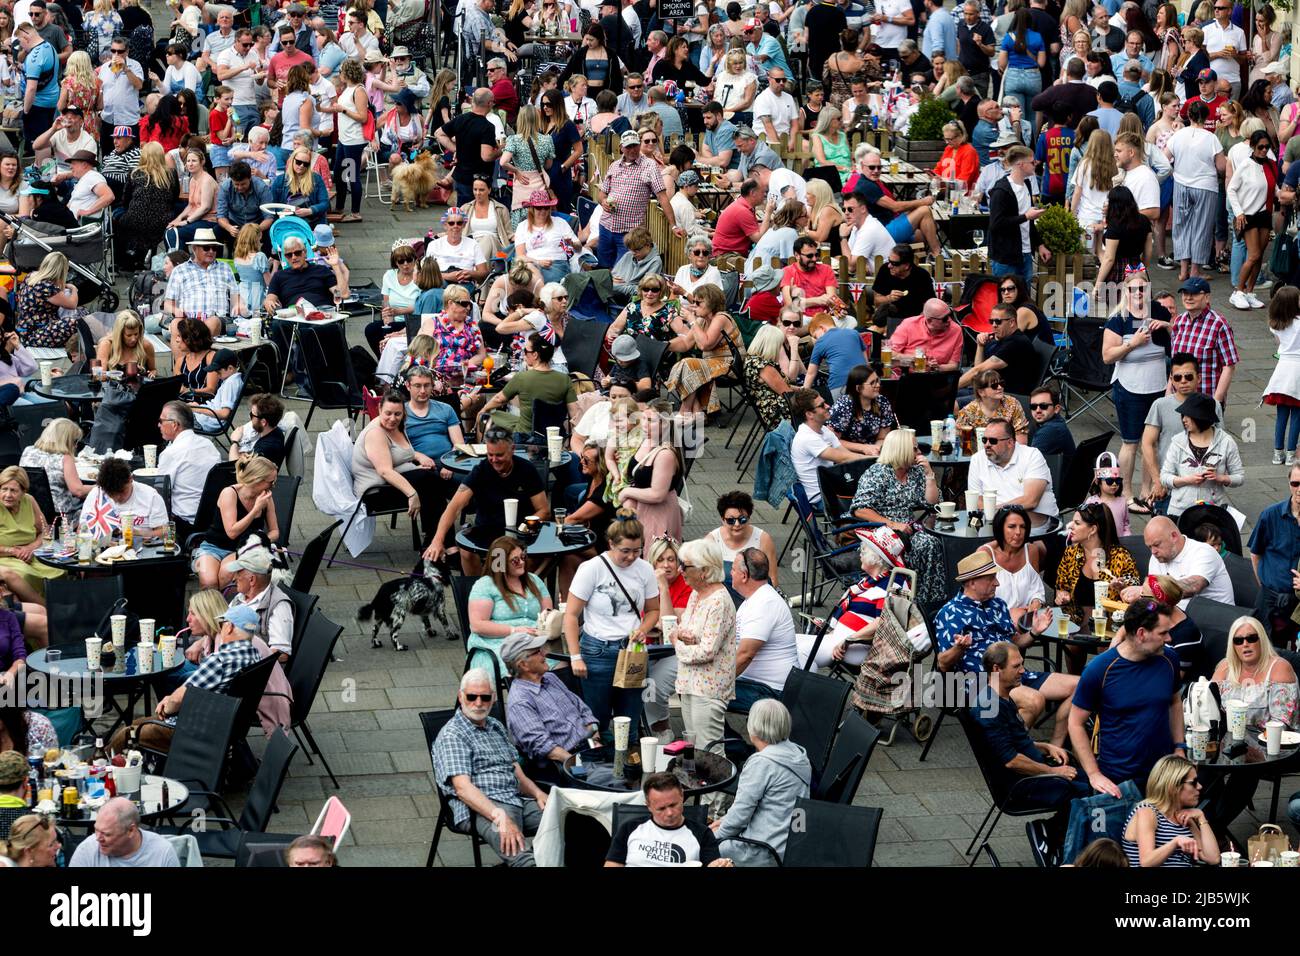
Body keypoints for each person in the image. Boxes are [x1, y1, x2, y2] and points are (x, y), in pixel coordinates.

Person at [971, 642, 1090, 861]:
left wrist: (1045, 746)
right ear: (997, 669)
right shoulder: (989, 708)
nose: (1023, 670)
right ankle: (1049, 835)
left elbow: (1012, 742)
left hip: (1034, 773)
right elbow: (1011, 761)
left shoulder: (1003, 698)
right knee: (1086, 792)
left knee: (1093, 779)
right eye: (1016, 666)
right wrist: (1053, 772)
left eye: (1022, 664)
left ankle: (1061, 838)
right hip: (1020, 786)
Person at [936, 550, 1070, 742]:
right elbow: (943, 663)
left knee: (1081, 686)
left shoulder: (998, 604)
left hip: (1017, 673)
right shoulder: (950, 613)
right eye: (991, 578)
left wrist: (1034, 632)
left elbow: (1014, 642)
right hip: (981, 682)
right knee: (1034, 700)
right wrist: (960, 648)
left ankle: (1056, 747)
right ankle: (1007, 752)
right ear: (972, 582)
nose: (997, 583)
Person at [433, 669, 548, 867]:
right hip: (482, 806)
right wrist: (497, 814)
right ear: (461, 697)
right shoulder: (453, 735)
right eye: (471, 697)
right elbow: (463, 789)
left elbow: (515, 770)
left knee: (573, 820)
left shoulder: (495, 725)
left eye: (485, 698)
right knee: (523, 857)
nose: (478, 703)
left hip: (515, 799)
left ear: (493, 698)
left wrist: (538, 794)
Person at [1070, 599, 1185, 796]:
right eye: (1163, 633)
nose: (1169, 639)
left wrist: (1179, 747)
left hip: (1162, 774)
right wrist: (1093, 773)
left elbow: (1174, 702)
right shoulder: (1100, 669)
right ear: (1141, 633)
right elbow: (1075, 723)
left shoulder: (1170, 659)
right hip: (1119, 779)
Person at [563, 517, 660, 733]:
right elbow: (570, 615)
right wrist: (575, 656)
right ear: (611, 544)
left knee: (629, 720)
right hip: (598, 650)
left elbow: (654, 610)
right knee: (596, 720)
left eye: (637, 550)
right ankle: (597, 762)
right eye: (625, 550)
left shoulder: (645, 569)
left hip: (632, 650)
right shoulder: (591, 569)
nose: (631, 557)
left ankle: (626, 761)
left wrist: (643, 629)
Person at [425, 428, 549, 575]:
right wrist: (438, 540)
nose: (494, 460)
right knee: (466, 551)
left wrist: (524, 527)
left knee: (513, 561)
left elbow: (544, 510)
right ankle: (478, 589)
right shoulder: (481, 470)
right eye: (490, 455)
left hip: (520, 531)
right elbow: (454, 507)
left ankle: (511, 586)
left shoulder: (526, 469)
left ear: (512, 450)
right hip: (487, 530)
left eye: (499, 455)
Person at [849, 429, 946, 613]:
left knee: (934, 543)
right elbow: (860, 509)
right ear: (902, 450)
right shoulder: (878, 473)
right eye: (915, 449)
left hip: (908, 529)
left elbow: (933, 502)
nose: (919, 453)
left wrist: (929, 474)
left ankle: (927, 602)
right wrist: (892, 524)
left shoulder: (915, 472)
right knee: (925, 546)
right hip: (880, 531)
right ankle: (912, 603)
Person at [711, 698, 811, 866]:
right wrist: (724, 821)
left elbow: (741, 814)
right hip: (789, 845)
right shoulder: (798, 755)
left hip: (761, 850)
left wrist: (714, 836)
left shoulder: (762, 763)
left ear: (754, 728)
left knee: (698, 846)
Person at [502, 631, 598, 781]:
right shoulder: (520, 701)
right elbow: (544, 747)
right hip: (564, 765)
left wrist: (595, 739)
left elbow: (582, 708)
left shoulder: (550, 678)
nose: (544, 654)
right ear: (523, 665)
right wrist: (578, 766)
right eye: (538, 652)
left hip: (590, 749)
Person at [352, 390, 444, 545]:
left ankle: (436, 538)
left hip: (391, 482)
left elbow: (399, 454)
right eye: (388, 413)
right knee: (429, 482)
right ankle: (439, 541)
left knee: (435, 474)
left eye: (397, 414)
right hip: (376, 492)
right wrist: (412, 494)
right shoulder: (376, 433)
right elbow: (385, 471)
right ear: (379, 410)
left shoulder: (398, 426)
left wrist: (418, 457)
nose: (392, 419)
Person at [190, 455, 278, 590]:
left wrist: (259, 540)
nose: (273, 485)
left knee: (226, 574)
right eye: (271, 482)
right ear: (257, 480)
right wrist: (255, 510)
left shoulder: (266, 498)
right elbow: (232, 532)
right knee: (209, 582)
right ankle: (212, 609)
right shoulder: (230, 493)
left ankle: (222, 607)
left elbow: (275, 532)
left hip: (241, 549)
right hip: (214, 546)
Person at [606, 772, 732, 866]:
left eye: (673, 805)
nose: (670, 813)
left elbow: (713, 864)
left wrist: (722, 864)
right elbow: (613, 864)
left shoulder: (702, 834)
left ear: (682, 796)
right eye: (661, 809)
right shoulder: (630, 828)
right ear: (648, 806)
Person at [730, 548, 798, 711]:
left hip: (772, 692)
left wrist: (717, 683)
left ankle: (724, 737)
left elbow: (745, 655)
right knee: (696, 686)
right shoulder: (755, 598)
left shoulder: (764, 604)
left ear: (744, 576)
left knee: (701, 693)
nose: (730, 573)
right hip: (760, 684)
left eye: (732, 569)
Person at [1120, 755, 1218, 866]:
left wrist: (1201, 817)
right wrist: (1175, 842)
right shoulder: (1147, 811)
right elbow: (1146, 862)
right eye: (1194, 782)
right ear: (1174, 786)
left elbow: (1213, 858)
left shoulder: (1185, 817)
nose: (1199, 786)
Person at [1157, 392, 1244, 518]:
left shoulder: (1226, 442)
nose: (1183, 419)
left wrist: (1221, 478)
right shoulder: (1178, 441)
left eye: (1188, 416)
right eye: (1183, 415)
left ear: (1201, 417)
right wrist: (1187, 480)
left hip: (1213, 511)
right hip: (1180, 511)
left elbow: (1239, 477)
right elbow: (1164, 477)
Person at [1055, 501, 1140, 624]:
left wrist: (1122, 588)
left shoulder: (1121, 557)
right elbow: (1061, 587)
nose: (1070, 526)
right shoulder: (1071, 553)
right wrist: (1062, 596)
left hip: (1111, 626)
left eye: (1077, 523)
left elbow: (1136, 594)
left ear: (1093, 529)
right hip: (1076, 624)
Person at [1212, 616, 1298, 734]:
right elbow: (1208, 706)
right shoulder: (1225, 666)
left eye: (1251, 638)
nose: (1245, 644)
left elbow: (1281, 723)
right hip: (1228, 741)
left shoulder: (1280, 668)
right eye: (1238, 640)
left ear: (1261, 640)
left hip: (1269, 743)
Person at [790, 388, 870, 508]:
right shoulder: (807, 438)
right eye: (822, 405)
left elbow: (845, 455)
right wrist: (882, 458)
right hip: (822, 498)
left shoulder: (823, 429)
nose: (828, 406)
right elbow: (845, 459)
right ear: (809, 414)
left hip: (832, 487)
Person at [1249, 463, 1300, 644]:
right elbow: (1255, 554)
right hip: (1269, 599)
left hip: (1298, 603)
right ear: (1289, 484)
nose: (1299, 489)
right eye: (1295, 483)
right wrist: (1264, 585)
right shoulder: (1270, 515)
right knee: (1265, 650)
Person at [156, 401, 221, 543]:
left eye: (161, 421)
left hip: (183, 522)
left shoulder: (172, 453)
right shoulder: (209, 445)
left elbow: (160, 494)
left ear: (174, 425)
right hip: (211, 518)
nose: (159, 425)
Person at [968, 417, 1059, 516]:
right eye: (984, 440)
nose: (987, 445)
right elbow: (977, 501)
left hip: (1038, 524)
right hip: (997, 525)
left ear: (1010, 443)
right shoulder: (977, 459)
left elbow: (1030, 501)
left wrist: (995, 510)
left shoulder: (1032, 456)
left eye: (993, 441)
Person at [988, 145, 1050, 287]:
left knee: (1024, 297)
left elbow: (1029, 223)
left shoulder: (1027, 185)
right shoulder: (1001, 190)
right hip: (1006, 256)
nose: (1036, 165)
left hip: (1025, 253)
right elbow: (996, 224)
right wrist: (1026, 216)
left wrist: (1040, 245)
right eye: (1032, 162)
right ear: (1021, 164)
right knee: (1007, 300)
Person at [1169, 277, 1237, 406]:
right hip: (1178, 401)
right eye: (1185, 293)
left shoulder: (1219, 325)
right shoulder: (1179, 321)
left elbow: (1229, 366)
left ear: (1207, 297)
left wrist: (1216, 402)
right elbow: (1174, 365)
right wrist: (1168, 396)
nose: (1188, 298)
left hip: (1205, 400)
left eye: (1194, 294)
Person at [0, 466, 60, 605]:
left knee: (58, 570)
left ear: (23, 492)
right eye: (4, 489)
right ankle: (49, 609)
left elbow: (45, 530)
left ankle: (66, 604)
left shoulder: (29, 500)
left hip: (32, 554)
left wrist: (31, 548)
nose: (8, 495)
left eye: (13, 490)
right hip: (4, 557)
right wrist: (12, 551)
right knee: (25, 575)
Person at [979, 504, 1047, 620]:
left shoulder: (1031, 551)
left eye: (1023, 526)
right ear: (1000, 528)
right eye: (1012, 526)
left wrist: (1036, 602)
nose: (1018, 532)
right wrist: (1008, 614)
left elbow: (1036, 589)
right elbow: (978, 601)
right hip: (995, 625)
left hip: (1026, 622)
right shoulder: (985, 553)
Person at [69, 798, 180, 867]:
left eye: (107, 834)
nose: (98, 838)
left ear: (131, 830)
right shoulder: (87, 850)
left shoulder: (163, 853)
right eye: (96, 830)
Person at [960, 303, 1040, 396]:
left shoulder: (1016, 343)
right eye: (991, 321)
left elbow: (977, 371)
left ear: (1011, 322)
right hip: (990, 392)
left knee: (952, 401)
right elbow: (980, 374)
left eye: (998, 321)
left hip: (1006, 399)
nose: (994, 325)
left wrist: (952, 388)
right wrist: (980, 345)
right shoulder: (1003, 339)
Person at [19, 418, 91, 519]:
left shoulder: (28, 451)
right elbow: (78, 491)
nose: (75, 446)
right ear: (66, 440)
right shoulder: (64, 458)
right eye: (75, 441)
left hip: (31, 510)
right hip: (60, 516)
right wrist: (102, 487)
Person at [15, 251, 77, 350]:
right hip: (35, 334)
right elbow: (72, 304)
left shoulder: (31, 276)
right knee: (74, 323)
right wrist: (74, 289)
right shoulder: (48, 287)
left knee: (82, 312)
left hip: (24, 331)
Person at [827, 364, 895, 455]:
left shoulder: (882, 402)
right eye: (872, 383)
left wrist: (876, 449)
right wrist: (863, 448)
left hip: (873, 452)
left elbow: (882, 437)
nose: (878, 385)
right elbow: (831, 440)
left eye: (878, 381)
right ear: (858, 388)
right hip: (847, 455)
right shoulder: (844, 405)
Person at [803, 314, 868, 401]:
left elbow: (811, 373)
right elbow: (866, 362)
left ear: (822, 328)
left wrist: (804, 395)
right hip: (864, 381)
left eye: (815, 336)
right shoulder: (854, 333)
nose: (816, 340)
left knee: (842, 413)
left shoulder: (820, 342)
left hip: (839, 385)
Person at [888, 299, 964, 373]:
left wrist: (938, 367)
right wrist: (911, 359)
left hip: (938, 378)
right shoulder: (909, 324)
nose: (949, 320)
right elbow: (889, 355)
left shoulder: (956, 330)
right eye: (945, 318)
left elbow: (954, 365)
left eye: (950, 315)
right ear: (930, 320)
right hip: (907, 376)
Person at [956, 370, 1032, 441]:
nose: (1000, 387)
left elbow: (1021, 438)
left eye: (1001, 383)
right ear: (981, 392)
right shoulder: (969, 411)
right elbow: (959, 440)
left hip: (1009, 451)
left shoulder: (1013, 404)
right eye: (994, 386)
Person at [1027, 384, 1076, 459]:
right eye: (1033, 407)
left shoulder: (1051, 430)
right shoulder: (1048, 421)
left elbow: (1029, 461)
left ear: (1056, 409)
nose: (1038, 410)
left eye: (1043, 406)